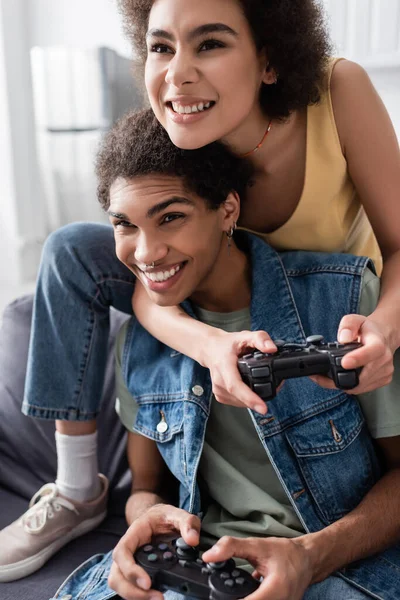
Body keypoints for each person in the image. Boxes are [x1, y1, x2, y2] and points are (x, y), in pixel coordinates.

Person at [2, 0, 400, 579]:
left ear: (268, 59)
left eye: (209, 44)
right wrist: (209, 344)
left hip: (333, 309)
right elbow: (149, 288)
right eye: (161, 47)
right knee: (70, 250)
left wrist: (383, 332)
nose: (177, 73)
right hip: (216, 290)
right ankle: (75, 485)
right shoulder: (183, 127)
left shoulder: (335, 90)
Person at [52, 109, 400, 600]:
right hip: (202, 572)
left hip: (338, 567)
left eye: (171, 217)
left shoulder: (342, 302)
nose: (146, 253)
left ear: (228, 210)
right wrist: (145, 518)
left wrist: (308, 557)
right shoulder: (140, 343)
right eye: (125, 225)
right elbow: (146, 488)